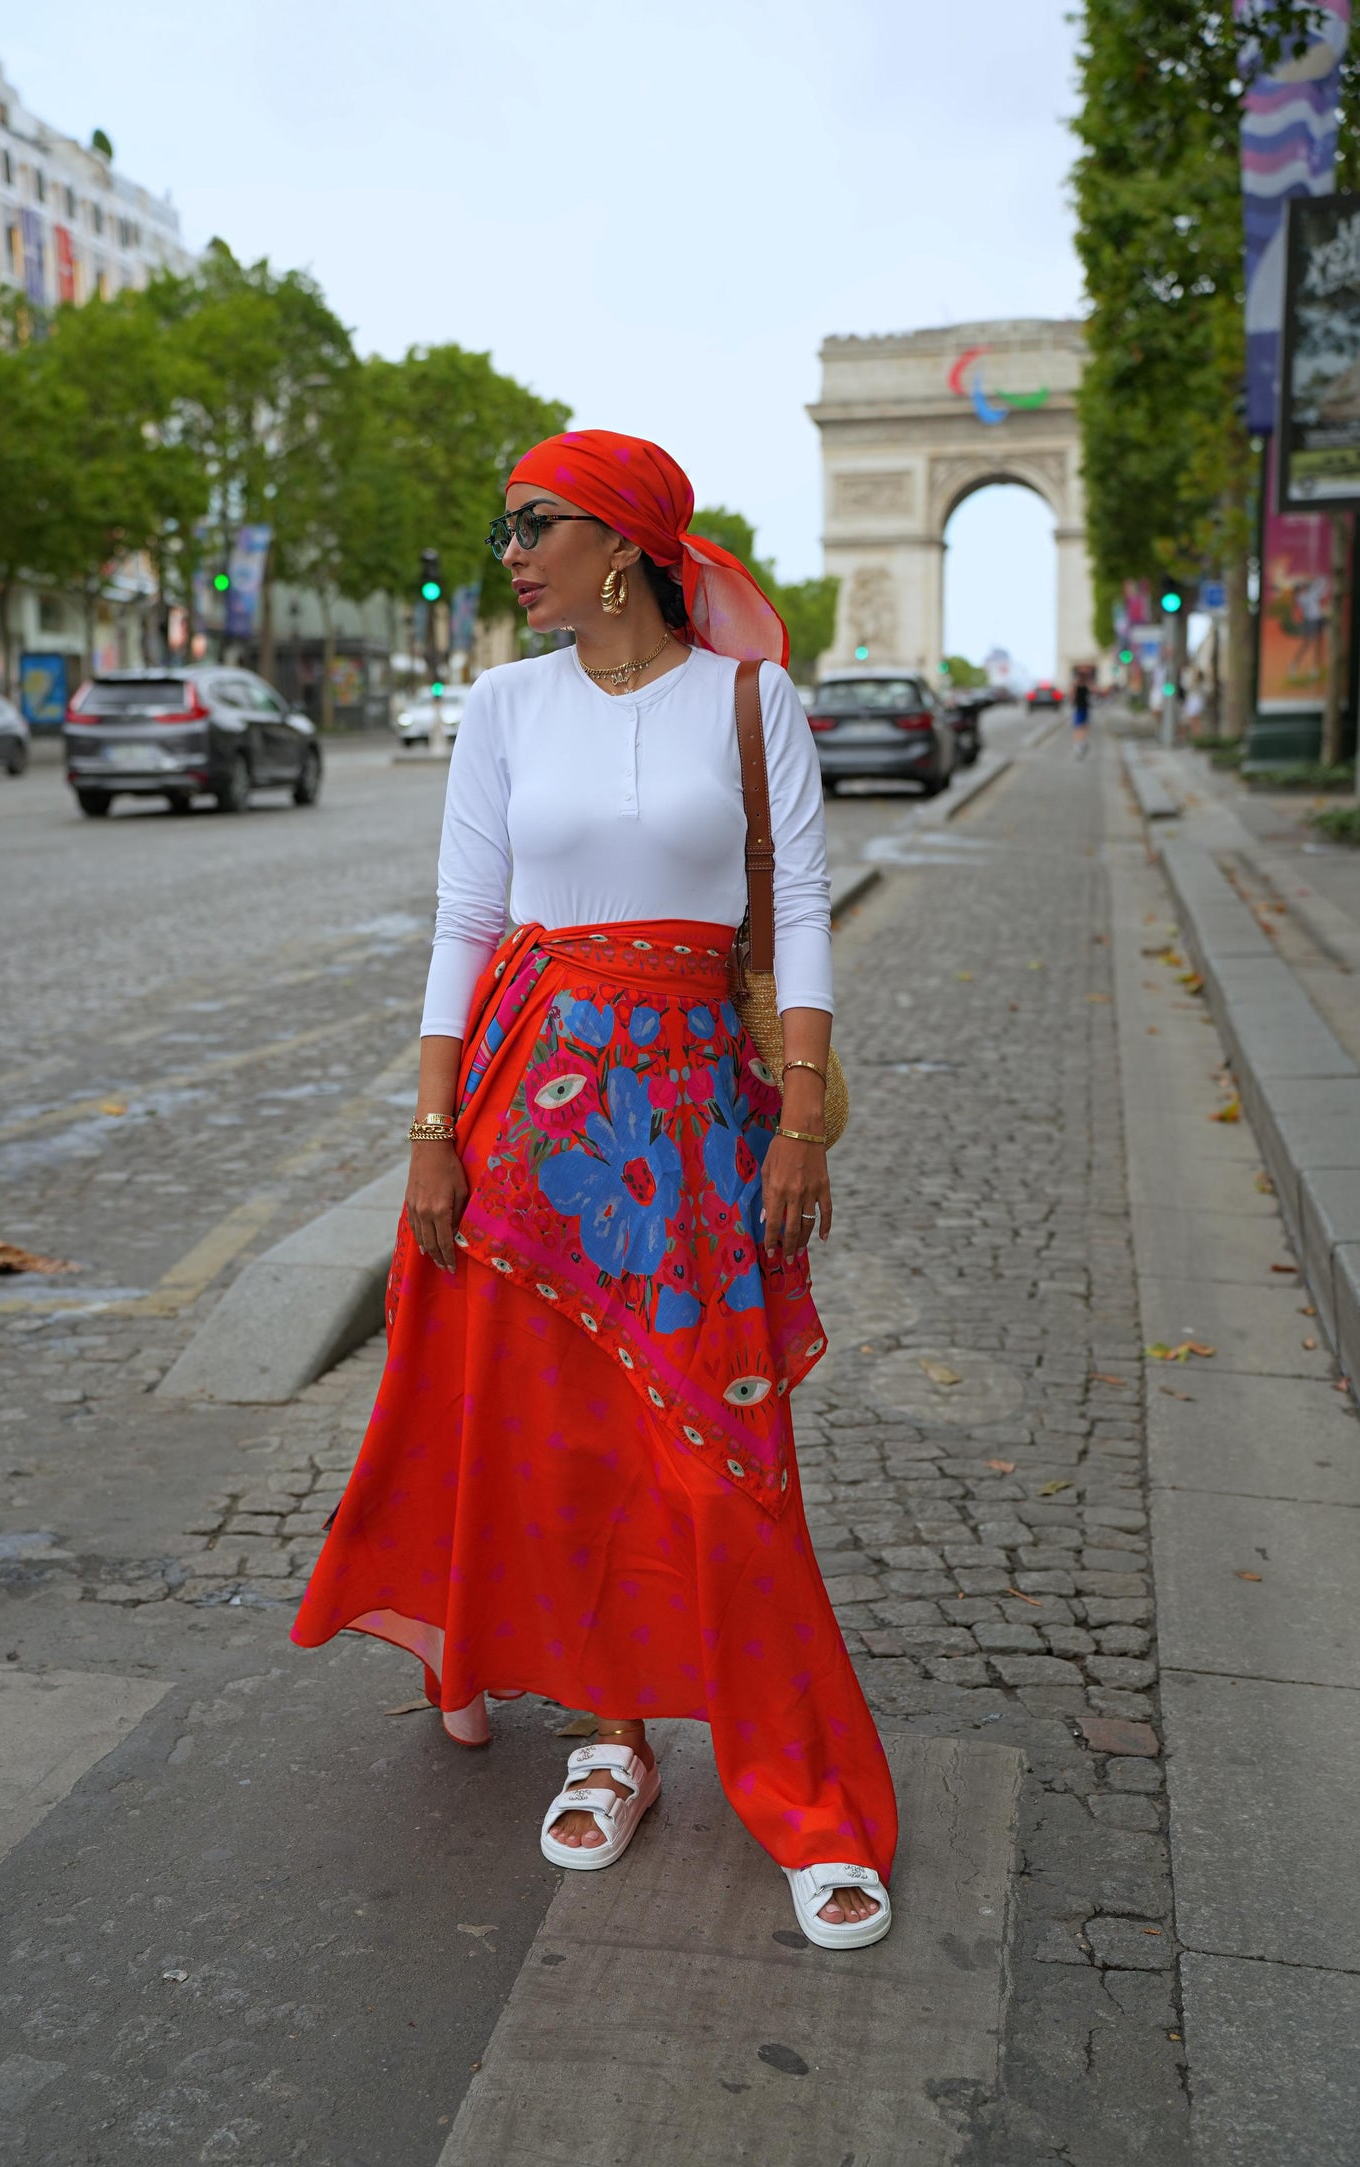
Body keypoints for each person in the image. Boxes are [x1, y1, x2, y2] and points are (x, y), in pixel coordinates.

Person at [291, 430, 898, 1951]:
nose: (510, 549)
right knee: (565, 1447)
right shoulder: (501, 704)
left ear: (621, 542)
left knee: (723, 1452)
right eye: (502, 524)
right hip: (522, 1118)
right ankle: (615, 1736)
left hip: (695, 1119)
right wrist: (430, 1123)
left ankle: (801, 1782)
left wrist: (805, 1110)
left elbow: (802, 905)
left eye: (534, 523)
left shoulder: (753, 704)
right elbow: (465, 916)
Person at [1071, 670, 1091, 757]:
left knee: (1082, 726)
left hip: (1082, 707)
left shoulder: (1079, 685)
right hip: (1080, 708)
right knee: (1080, 726)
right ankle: (1079, 743)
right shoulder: (1077, 685)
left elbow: (1072, 696)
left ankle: (1081, 742)